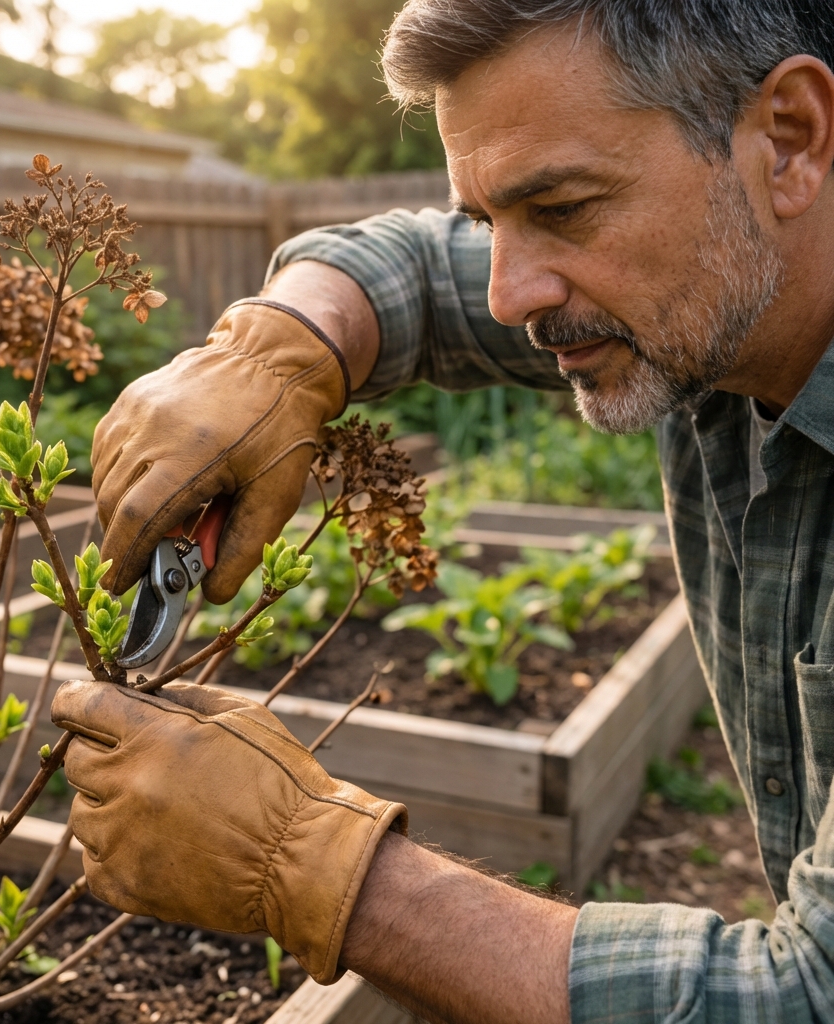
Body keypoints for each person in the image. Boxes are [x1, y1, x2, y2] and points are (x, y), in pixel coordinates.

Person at [50, 2, 834, 1021]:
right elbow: (414, 273)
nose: (509, 293)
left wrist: (322, 870)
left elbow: (805, 998)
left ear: (789, 139)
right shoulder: (707, 297)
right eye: (488, 220)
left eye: (560, 207)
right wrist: (277, 346)